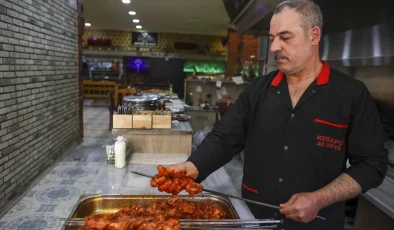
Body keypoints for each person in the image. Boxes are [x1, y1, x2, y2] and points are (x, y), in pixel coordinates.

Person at [166, 0, 388, 229]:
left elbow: (372, 164)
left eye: (285, 37)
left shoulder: (351, 94)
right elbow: (224, 138)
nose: (274, 48)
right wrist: (194, 166)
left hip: (319, 223)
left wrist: (318, 199)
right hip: (253, 219)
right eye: (272, 39)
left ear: (314, 36)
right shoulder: (258, 90)